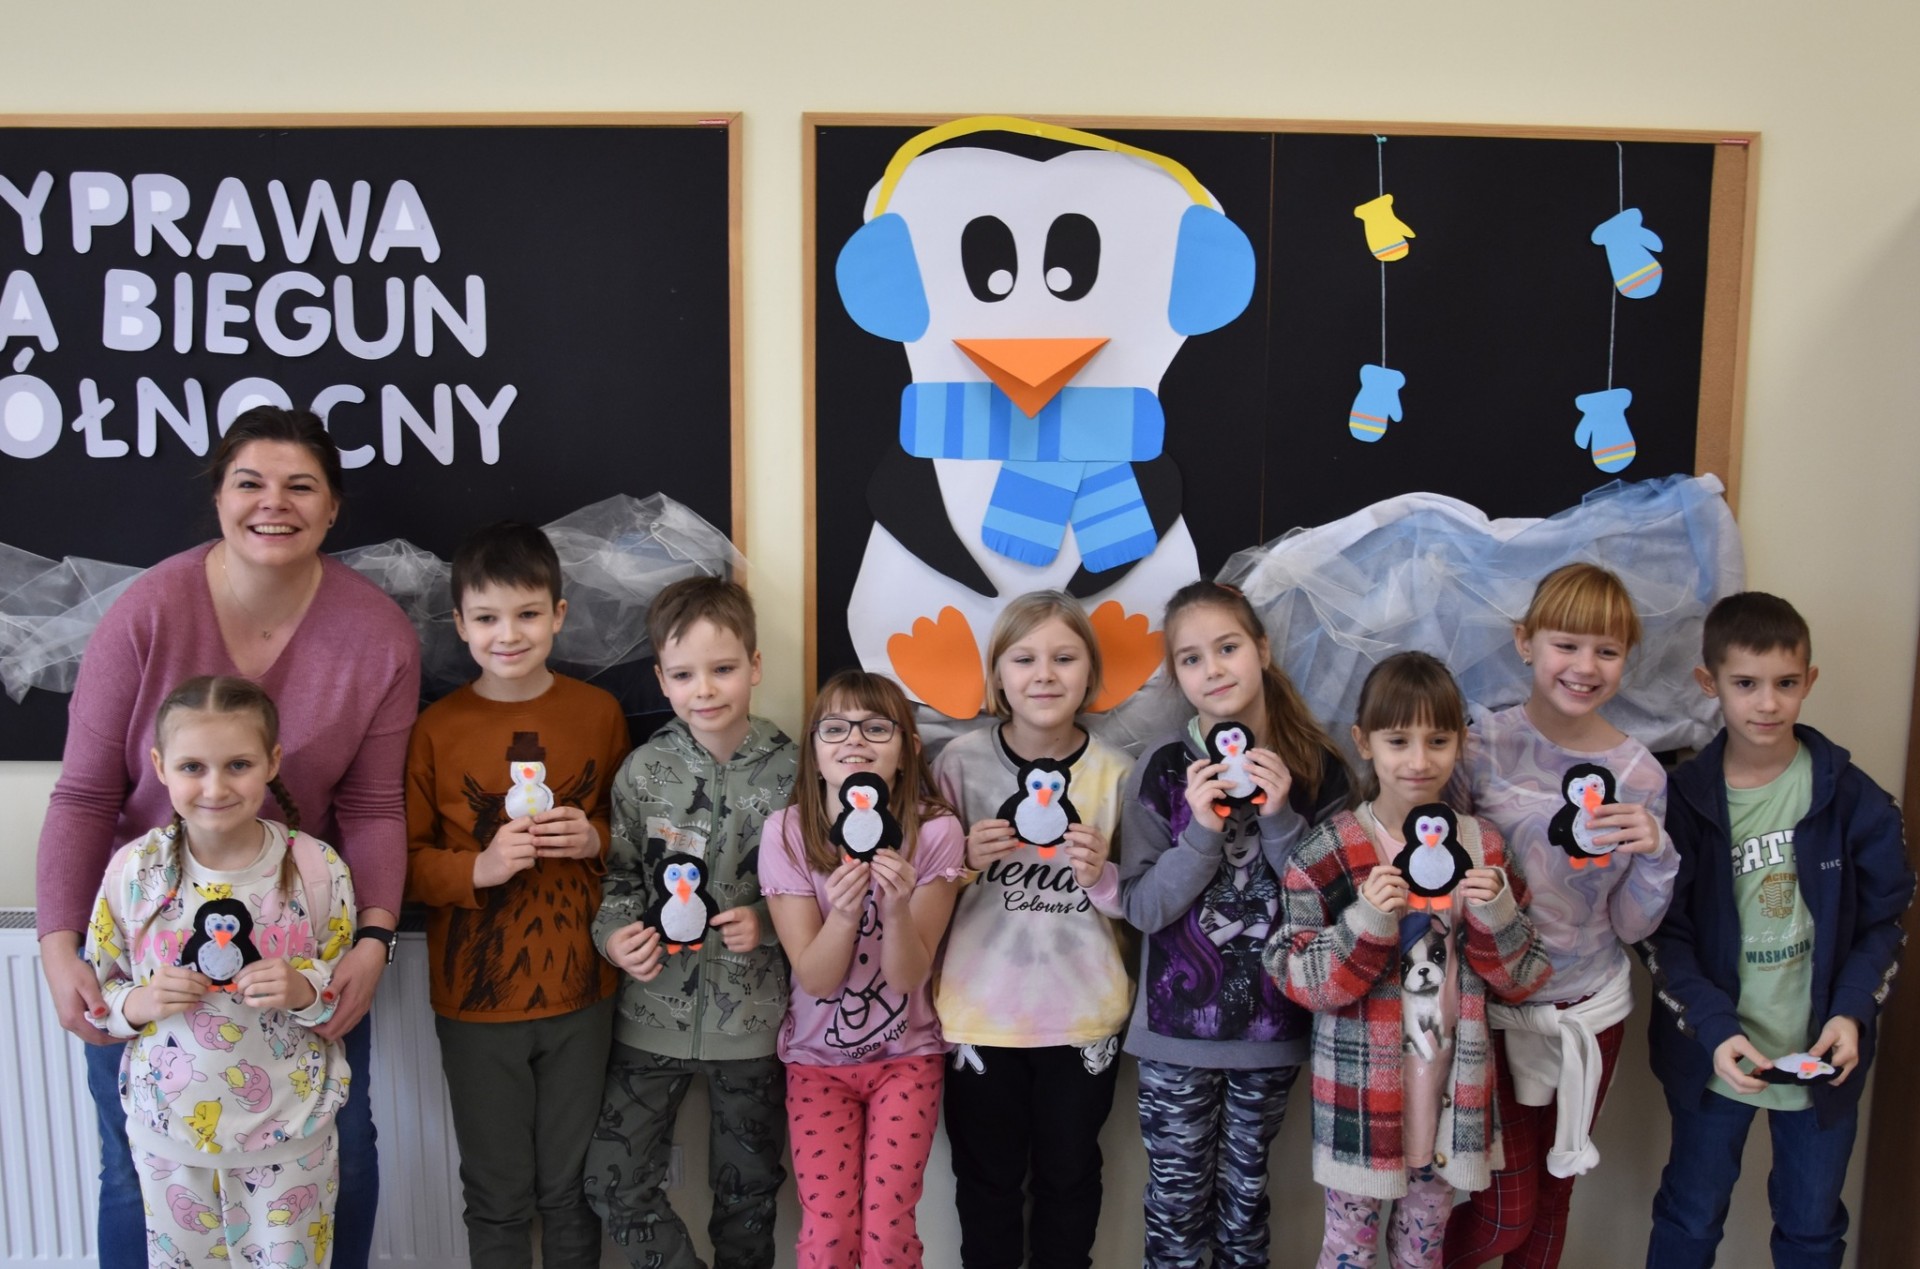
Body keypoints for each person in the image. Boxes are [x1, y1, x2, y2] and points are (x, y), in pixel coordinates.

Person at [36, 405, 420, 1269]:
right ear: (218, 497)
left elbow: (373, 806)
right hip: (150, 947)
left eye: (300, 486)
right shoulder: (145, 613)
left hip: (299, 951)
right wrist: (60, 949)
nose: (272, 502)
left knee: (344, 1151)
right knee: (135, 1169)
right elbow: (85, 792)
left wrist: (374, 941)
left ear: (333, 507)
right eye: (249, 482)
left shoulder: (378, 635)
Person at [1641, 592, 1914, 1267]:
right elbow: (1660, 933)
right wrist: (1713, 1027)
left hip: (1823, 1059)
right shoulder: (1681, 803)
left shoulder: (1853, 797)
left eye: (1786, 683)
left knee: (1812, 1227)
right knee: (1690, 1215)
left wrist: (1852, 1011)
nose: (1767, 703)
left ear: (1808, 681)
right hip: (1715, 1058)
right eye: (1746, 684)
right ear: (1709, 683)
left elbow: (1885, 920)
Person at [1268, 652, 1552, 1268]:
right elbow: (1299, 979)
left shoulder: (1483, 847)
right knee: (1348, 1249)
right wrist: (1367, 921)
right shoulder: (1328, 852)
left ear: (1460, 742)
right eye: (1398, 741)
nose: (1419, 760)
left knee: (1423, 1251)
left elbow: (1523, 977)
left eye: (1438, 740)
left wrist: (1496, 911)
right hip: (1359, 1102)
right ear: (1363, 742)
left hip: (1453, 1097)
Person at [404, 521, 629, 1268]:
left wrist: (594, 837)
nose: (509, 634)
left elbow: (637, 832)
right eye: (488, 617)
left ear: (558, 615)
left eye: (528, 613)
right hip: (476, 1003)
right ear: (460, 624)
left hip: (585, 991)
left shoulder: (598, 714)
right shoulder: (435, 730)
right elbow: (404, 865)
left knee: (573, 1189)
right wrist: (480, 867)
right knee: (497, 1195)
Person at [1442, 562, 1677, 1269]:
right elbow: (1439, 882)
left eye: (1607, 650)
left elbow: (1632, 926)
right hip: (1492, 1011)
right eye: (1566, 644)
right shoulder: (1477, 745)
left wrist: (1657, 853)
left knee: (1551, 1202)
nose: (1585, 666)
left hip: (1589, 1011)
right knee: (1505, 1213)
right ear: (1526, 642)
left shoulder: (1640, 775)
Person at [85, 676, 357, 1269]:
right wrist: (142, 1002)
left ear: (272, 762)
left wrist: (303, 990)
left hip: (292, 1143)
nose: (215, 787)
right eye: (192, 767)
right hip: (170, 1143)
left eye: (238, 765)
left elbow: (346, 994)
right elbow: (99, 993)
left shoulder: (316, 868)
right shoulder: (135, 872)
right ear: (160, 766)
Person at [1118, 579, 1350, 1269]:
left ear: (1263, 651)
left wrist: (1279, 821)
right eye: (1191, 658)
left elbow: (1338, 912)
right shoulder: (1162, 768)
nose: (1213, 669)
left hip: (1270, 1033)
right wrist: (1200, 831)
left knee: (1245, 1206)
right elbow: (1142, 908)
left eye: (1227, 648)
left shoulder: (1318, 767)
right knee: (1175, 1207)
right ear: (1176, 674)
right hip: (1174, 1036)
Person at [585, 575, 797, 1269]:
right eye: (683, 674)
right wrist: (613, 939)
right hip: (650, 1017)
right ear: (661, 680)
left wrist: (766, 922)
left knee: (748, 1197)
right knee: (613, 1181)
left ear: (755, 666)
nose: (704, 689)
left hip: (755, 1024)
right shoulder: (643, 771)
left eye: (723, 668)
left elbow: (819, 886)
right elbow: (617, 878)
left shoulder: (796, 773)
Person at [932, 591, 1135, 1269]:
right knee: (985, 1183)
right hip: (979, 1013)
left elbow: (1139, 903)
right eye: (1024, 658)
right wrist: (963, 860)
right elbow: (921, 893)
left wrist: (1102, 874)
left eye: (1064, 658)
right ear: (997, 673)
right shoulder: (957, 764)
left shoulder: (1116, 773)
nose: (1044, 673)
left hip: (1083, 1014)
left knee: (1069, 1179)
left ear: (1090, 672)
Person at [760, 669, 965, 1269]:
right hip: (816, 1064)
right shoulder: (787, 834)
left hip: (907, 1059)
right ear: (814, 752)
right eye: (835, 728)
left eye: (877, 727)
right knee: (827, 1235)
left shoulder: (936, 831)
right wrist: (845, 913)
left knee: (888, 1233)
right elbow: (817, 979)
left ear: (908, 749)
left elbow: (907, 979)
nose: (854, 740)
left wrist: (895, 908)